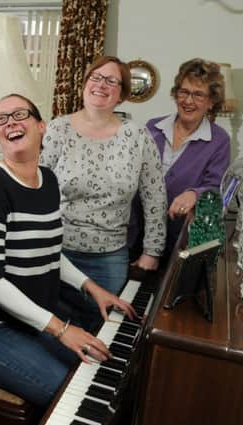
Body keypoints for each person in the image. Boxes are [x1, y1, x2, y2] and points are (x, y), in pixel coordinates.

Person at [0, 93, 136, 408]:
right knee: (73, 396)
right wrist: (61, 329)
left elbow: (49, 251)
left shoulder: (49, 180)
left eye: (19, 114)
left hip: (31, 321)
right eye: (0, 119)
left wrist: (93, 288)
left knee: (97, 369)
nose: (8, 122)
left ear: (42, 127)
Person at [39, 56, 166, 329]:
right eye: (95, 77)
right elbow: (38, 189)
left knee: (104, 333)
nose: (101, 84)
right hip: (55, 254)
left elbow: (154, 196)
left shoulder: (138, 136)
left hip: (109, 260)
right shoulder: (58, 128)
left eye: (112, 81)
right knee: (56, 334)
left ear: (121, 95)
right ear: (85, 84)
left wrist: (152, 252)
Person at [128, 58, 231, 259]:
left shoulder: (219, 141)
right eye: (183, 92)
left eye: (198, 94)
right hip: (135, 232)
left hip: (177, 241)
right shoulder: (152, 127)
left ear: (211, 102)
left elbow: (217, 187)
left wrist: (195, 193)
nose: (188, 101)